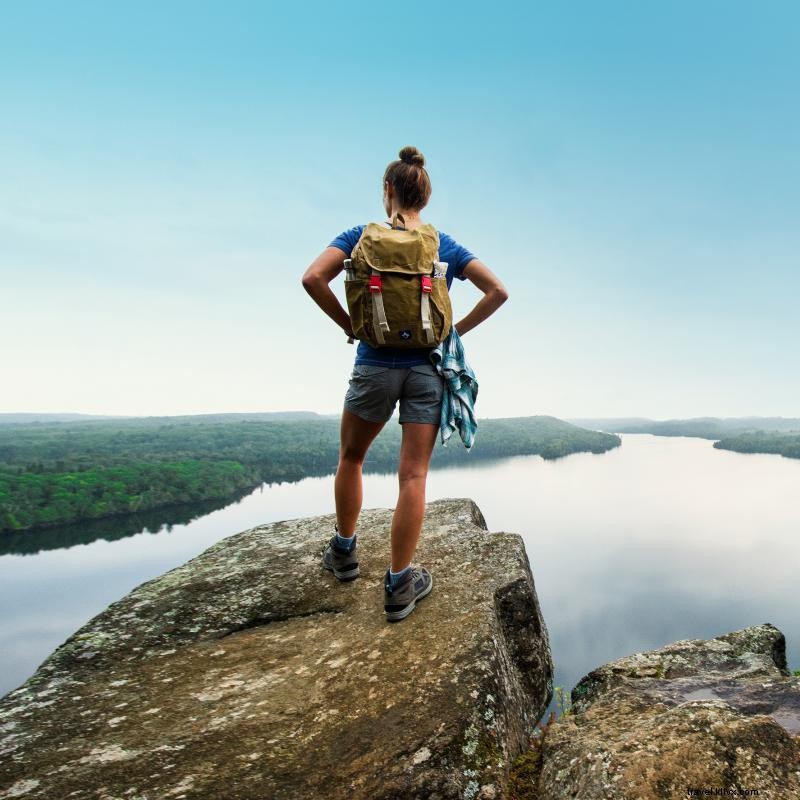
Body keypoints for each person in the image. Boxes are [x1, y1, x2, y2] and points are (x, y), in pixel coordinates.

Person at [301, 146, 508, 621]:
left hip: (373, 364)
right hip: (426, 371)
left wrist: (349, 324)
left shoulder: (360, 237)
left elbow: (313, 278)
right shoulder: (443, 246)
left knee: (351, 457)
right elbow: (499, 291)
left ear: (388, 191)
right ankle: (398, 585)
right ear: (425, 197)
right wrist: (454, 331)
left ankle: (345, 553)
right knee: (412, 475)